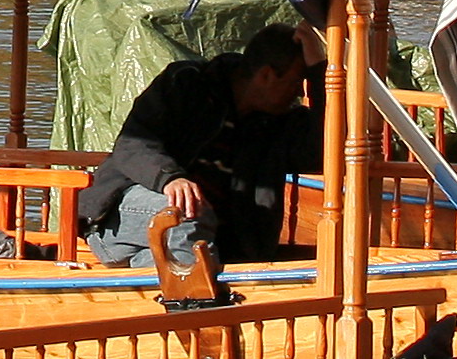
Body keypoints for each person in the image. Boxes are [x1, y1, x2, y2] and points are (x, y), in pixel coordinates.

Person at [82, 21, 320, 265]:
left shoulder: (279, 125)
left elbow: (328, 148)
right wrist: (171, 178)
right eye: (295, 83)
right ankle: (200, 299)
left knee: (163, 267)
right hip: (119, 224)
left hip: (200, 246)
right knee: (190, 210)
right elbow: (132, 145)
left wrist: (320, 71)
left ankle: (189, 292)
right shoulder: (187, 84)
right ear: (267, 75)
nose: (297, 94)